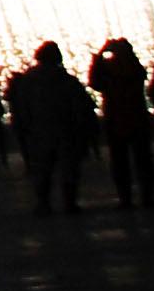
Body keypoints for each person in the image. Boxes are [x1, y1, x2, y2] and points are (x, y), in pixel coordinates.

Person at [5, 42, 95, 216]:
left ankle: (44, 203)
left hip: (40, 132)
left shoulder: (28, 82)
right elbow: (81, 105)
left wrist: (24, 127)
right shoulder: (66, 80)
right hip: (65, 131)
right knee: (68, 169)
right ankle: (69, 202)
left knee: (43, 170)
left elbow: (20, 107)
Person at [87, 38, 154, 210]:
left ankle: (126, 198)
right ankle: (147, 197)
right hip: (136, 119)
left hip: (116, 120)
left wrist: (99, 56)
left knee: (121, 162)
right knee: (143, 160)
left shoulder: (110, 69)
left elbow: (94, 82)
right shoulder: (135, 68)